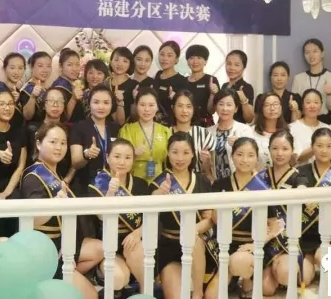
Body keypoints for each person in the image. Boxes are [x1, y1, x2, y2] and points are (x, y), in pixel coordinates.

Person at [20, 123, 102, 299]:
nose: (59, 147)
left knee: (100, 248)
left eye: (63, 143)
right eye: (53, 142)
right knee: (91, 295)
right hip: (46, 250)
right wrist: (55, 204)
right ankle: (55, 279)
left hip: (62, 244)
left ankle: (61, 279)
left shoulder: (53, 173)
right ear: (39, 144)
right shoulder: (34, 177)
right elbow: (33, 220)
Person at [211, 137, 285, 297]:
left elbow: (276, 223)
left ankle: (247, 282)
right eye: (240, 154)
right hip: (225, 243)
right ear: (232, 156)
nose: (245, 160)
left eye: (250, 155)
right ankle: (237, 279)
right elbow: (214, 219)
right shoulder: (220, 184)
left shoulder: (263, 187)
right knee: (212, 295)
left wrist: (256, 243)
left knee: (277, 280)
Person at [151, 132, 217, 299]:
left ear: (193, 154)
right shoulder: (159, 182)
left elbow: (209, 218)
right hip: (169, 246)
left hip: (197, 244)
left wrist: (195, 229)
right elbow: (150, 211)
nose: (180, 158)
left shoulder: (202, 180)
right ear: (168, 153)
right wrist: (158, 194)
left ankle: (198, 294)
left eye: (186, 152)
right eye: (175, 152)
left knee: (192, 240)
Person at [88, 139, 149, 292]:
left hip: (133, 241)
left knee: (140, 251)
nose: (122, 162)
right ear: (107, 157)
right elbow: (101, 217)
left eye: (128, 157)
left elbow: (152, 218)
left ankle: (145, 292)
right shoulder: (96, 184)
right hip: (107, 244)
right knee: (119, 277)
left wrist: (138, 233)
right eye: (117, 156)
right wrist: (110, 193)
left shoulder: (141, 185)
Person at [296, 128, 331, 276]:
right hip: (307, 230)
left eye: (329, 146)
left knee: (325, 257)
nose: (324, 150)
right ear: (312, 147)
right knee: (304, 277)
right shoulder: (302, 170)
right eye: (319, 145)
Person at [263, 131, 312, 291]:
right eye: (275, 148)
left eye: (285, 149)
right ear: (269, 149)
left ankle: (284, 269)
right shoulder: (261, 177)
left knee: (286, 274)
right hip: (265, 239)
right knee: (266, 289)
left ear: (292, 151)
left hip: (288, 239)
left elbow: (303, 190)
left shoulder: (298, 176)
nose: (279, 153)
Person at [69, 85, 120, 196]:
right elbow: (75, 162)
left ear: (112, 105)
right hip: (86, 186)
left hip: (112, 185)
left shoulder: (115, 128)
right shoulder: (79, 127)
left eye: (106, 103)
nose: (101, 107)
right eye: (96, 102)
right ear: (89, 104)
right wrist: (87, 155)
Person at [118, 88, 171, 182]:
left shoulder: (165, 131)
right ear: (136, 106)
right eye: (142, 105)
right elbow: (119, 159)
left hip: (159, 181)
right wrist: (132, 154)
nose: (147, 109)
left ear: (157, 107)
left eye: (151, 105)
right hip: (133, 180)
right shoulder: (126, 130)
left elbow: (170, 161)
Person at [25, 87, 74, 182]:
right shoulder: (32, 128)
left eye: (60, 101)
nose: (55, 105)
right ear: (43, 105)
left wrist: (66, 180)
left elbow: (73, 163)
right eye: (51, 101)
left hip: (63, 180)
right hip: (37, 178)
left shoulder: (69, 130)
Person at [208, 89, 254, 183]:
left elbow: (252, 158)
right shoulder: (208, 132)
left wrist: (238, 145)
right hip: (216, 184)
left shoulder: (244, 130)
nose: (225, 108)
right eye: (221, 104)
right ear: (215, 107)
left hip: (240, 183)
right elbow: (206, 165)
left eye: (229, 105)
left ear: (236, 108)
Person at [291, 39, 331, 124]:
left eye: (315, 51)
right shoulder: (298, 78)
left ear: (322, 53)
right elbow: (296, 106)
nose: (311, 55)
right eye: (307, 52)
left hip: (324, 121)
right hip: (303, 121)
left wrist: (330, 94)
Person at [171, 90, 216, 175]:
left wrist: (207, 163)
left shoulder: (204, 134)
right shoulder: (166, 133)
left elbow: (210, 171)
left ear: (193, 109)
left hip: (198, 180)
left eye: (188, 106)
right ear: (173, 108)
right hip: (171, 181)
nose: (184, 110)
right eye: (180, 106)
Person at [153, 41, 190, 125]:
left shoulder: (182, 81)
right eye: (162, 54)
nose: (164, 58)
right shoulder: (157, 75)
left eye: (169, 55)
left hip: (171, 125)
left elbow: (186, 108)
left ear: (176, 59)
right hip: (153, 124)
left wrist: (176, 99)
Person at [289, 89, 329, 164]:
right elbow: (295, 159)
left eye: (316, 102)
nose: (312, 106)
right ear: (302, 105)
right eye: (308, 102)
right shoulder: (292, 128)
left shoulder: (327, 128)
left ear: (321, 105)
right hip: (301, 170)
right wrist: (316, 146)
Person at [185, 45, 219, 127]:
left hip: (205, 125)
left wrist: (212, 94)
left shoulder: (211, 80)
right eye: (191, 58)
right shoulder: (183, 81)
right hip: (186, 124)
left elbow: (212, 111)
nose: (195, 61)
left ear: (205, 61)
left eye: (199, 58)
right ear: (187, 61)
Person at [52, 48, 86, 124]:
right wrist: (73, 99)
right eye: (70, 65)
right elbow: (62, 117)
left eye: (77, 64)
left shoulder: (74, 84)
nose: (75, 69)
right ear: (60, 66)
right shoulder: (58, 88)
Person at [105, 47, 138, 125]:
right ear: (111, 62)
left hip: (126, 129)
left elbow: (135, 117)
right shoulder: (105, 84)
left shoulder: (134, 86)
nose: (120, 64)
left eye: (125, 61)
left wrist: (135, 100)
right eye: (116, 60)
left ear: (130, 64)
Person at [0, 53, 27, 129]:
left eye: (20, 68)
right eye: (12, 68)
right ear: (4, 69)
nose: (16, 72)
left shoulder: (19, 92)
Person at [223, 50, 255, 124]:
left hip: (238, 128)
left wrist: (244, 101)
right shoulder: (224, 86)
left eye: (237, 65)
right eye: (229, 64)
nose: (231, 68)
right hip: (222, 126)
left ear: (244, 67)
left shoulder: (246, 87)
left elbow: (249, 119)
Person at [21, 51, 52, 122]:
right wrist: (33, 97)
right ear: (31, 67)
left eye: (48, 66)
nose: (45, 70)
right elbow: (27, 117)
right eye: (40, 66)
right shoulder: (27, 91)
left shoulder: (48, 89)